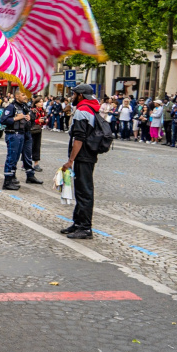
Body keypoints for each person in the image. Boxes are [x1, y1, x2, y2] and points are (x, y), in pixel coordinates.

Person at [60, 84, 100, 240]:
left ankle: (85, 227)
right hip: (88, 154)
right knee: (81, 190)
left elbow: (79, 138)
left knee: (84, 192)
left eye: (74, 94)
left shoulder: (82, 110)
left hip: (83, 156)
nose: (72, 97)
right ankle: (77, 223)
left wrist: (70, 160)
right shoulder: (92, 107)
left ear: (81, 95)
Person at [0, 90, 44, 190]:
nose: (25, 97)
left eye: (25, 95)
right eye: (22, 95)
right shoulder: (11, 107)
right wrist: (15, 118)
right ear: (16, 96)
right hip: (14, 134)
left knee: (26, 155)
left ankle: (28, 175)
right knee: (12, 157)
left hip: (25, 133)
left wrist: (30, 117)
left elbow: (30, 118)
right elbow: (3, 120)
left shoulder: (24, 106)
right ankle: (8, 181)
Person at [31, 98, 46, 172]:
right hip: (32, 130)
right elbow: (30, 120)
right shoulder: (33, 111)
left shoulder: (42, 111)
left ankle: (36, 164)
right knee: (29, 146)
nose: (41, 103)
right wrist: (38, 120)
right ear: (36, 103)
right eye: (40, 102)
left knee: (37, 146)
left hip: (38, 130)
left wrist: (44, 121)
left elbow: (42, 122)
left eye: (42, 102)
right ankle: (25, 163)